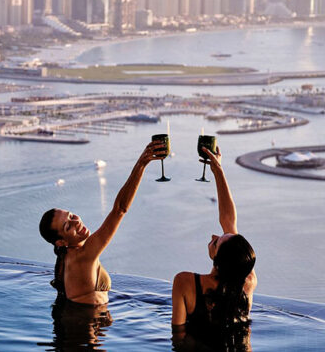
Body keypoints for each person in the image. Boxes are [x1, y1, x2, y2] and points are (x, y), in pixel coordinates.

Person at [38, 140, 165, 305]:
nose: (76, 222)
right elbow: (120, 209)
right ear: (61, 242)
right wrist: (141, 164)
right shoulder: (84, 255)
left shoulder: (67, 258)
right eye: (68, 226)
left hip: (84, 322)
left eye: (71, 216)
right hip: (86, 325)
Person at [171, 145, 257, 346]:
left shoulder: (185, 282)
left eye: (217, 241)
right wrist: (218, 170)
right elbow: (229, 221)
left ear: (218, 259)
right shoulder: (247, 282)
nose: (213, 235)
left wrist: (217, 169)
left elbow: (178, 338)